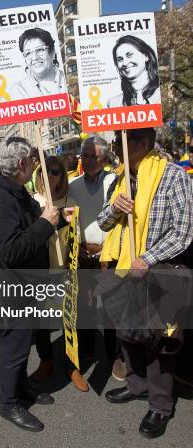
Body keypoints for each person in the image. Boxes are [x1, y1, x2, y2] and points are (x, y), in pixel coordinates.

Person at [99, 127, 192, 439]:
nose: (115, 147)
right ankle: (136, 385)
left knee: (156, 344)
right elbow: (102, 222)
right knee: (127, 335)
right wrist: (114, 209)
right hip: (124, 271)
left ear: (145, 144)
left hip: (157, 272)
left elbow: (183, 231)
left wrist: (148, 257)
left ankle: (160, 405)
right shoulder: (119, 178)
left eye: (122, 142)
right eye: (115, 141)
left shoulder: (173, 176)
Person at [0, 136, 65, 432]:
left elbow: (34, 223)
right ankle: (8, 404)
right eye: (32, 159)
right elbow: (12, 250)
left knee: (22, 343)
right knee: (14, 346)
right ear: (21, 164)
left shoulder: (16, 191)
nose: (35, 164)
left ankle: (21, 389)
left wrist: (58, 219)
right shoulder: (1, 200)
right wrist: (46, 223)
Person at [68, 136, 122, 384]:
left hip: (109, 256)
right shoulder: (73, 185)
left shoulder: (116, 182)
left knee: (112, 308)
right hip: (82, 256)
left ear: (105, 158)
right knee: (85, 306)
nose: (88, 160)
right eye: (85, 155)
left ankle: (116, 357)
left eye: (93, 156)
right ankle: (87, 349)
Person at [28, 156, 78, 388]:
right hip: (39, 269)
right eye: (45, 171)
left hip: (64, 268)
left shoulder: (70, 200)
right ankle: (46, 359)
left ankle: (72, 365)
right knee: (41, 321)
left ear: (63, 176)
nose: (50, 175)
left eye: (56, 171)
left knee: (70, 319)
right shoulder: (31, 201)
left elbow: (78, 239)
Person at [11, 28, 67, 100]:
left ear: (52, 53)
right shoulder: (18, 90)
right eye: (28, 53)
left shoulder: (68, 79)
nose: (35, 58)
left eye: (40, 50)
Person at [108, 35, 160, 107]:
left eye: (129, 55)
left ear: (146, 56)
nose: (125, 63)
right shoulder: (113, 103)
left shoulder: (162, 93)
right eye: (120, 59)